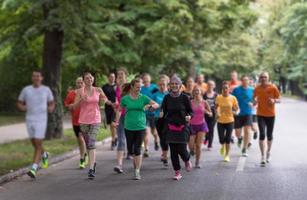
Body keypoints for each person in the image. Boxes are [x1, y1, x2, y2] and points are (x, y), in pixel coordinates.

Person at [17, 70, 55, 179]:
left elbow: (51, 102)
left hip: (42, 119)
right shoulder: (26, 90)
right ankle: (44, 155)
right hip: (30, 119)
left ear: (41, 78)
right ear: (32, 78)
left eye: (38, 76)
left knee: (38, 142)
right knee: (34, 143)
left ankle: (33, 168)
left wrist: (51, 108)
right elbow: (19, 102)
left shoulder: (46, 90)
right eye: (34, 76)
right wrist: (22, 107)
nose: (36, 78)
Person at [72, 72, 109, 179]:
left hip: (95, 119)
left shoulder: (98, 90)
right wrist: (80, 100)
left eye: (91, 78)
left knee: (91, 143)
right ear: (83, 80)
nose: (89, 79)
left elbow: (104, 99)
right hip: (83, 121)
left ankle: (91, 168)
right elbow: (74, 106)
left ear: (93, 79)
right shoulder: (79, 91)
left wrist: (104, 100)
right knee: (88, 144)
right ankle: (93, 162)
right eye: (87, 78)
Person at [120, 78, 159, 180]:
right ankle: (136, 164)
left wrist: (151, 107)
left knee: (137, 149)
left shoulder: (143, 98)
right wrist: (116, 120)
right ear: (132, 87)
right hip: (128, 126)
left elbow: (156, 104)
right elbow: (119, 110)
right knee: (131, 149)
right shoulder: (125, 99)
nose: (139, 89)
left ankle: (137, 171)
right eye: (137, 87)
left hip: (141, 126)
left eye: (140, 87)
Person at [161, 74, 193, 180]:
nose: (174, 85)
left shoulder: (185, 98)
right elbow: (163, 110)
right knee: (173, 151)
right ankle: (177, 172)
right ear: (169, 86)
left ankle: (187, 159)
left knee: (182, 149)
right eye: (172, 84)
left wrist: (189, 116)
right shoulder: (167, 98)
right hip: (170, 127)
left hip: (183, 126)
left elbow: (191, 111)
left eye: (176, 84)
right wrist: (160, 112)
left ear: (180, 86)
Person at [253, 72, 280, 166]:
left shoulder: (273, 87)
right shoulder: (257, 88)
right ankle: (262, 156)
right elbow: (254, 101)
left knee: (269, 134)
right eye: (262, 77)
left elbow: (279, 99)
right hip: (260, 114)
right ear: (260, 78)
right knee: (262, 134)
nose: (263, 78)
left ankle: (268, 151)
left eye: (265, 77)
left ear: (268, 78)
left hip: (271, 115)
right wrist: (254, 101)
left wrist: (274, 100)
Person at [64, 77, 87, 169]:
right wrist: (70, 106)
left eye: (81, 82)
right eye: (78, 82)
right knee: (80, 140)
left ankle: (82, 158)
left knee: (82, 139)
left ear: (84, 83)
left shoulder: (87, 93)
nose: (80, 84)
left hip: (86, 120)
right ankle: (84, 155)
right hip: (75, 121)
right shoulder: (71, 94)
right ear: (76, 84)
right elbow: (67, 104)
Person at [189, 86, 212, 168]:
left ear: (200, 92)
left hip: (201, 125)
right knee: (191, 144)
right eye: (195, 90)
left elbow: (210, 112)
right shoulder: (190, 102)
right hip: (191, 125)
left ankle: (197, 161)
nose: (196, 91)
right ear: (193, 92)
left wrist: (208, 112)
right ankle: (192, 150)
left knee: (198, 145)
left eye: (198, 90)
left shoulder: (204, 102)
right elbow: (186, 112)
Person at [216, 81, 239, 162]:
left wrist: (236, 112)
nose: (225, 89)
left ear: (229, 89)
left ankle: (227, 155)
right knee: (221, 139)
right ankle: (222, 146)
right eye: (223, 88)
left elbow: (237, 108)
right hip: (220, 121)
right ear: (222, 89)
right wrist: (217, 113)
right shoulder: (218, 97)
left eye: (226, 88)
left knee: (228, 139)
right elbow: (216, 107)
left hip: (230, 121)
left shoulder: (233, 98)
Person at [232, 75, 254, 157]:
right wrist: (233, 109)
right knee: (238, 132)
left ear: (248, 81)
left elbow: (255, 99)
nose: (245, 81)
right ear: (241, 81)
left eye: (247, 80)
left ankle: (244, 148)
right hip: (238, 113)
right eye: (244, 80)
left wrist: (253, 103)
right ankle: (240, 138)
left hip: (248, 113)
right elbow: (232, 100)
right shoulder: (236, 90)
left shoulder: (252, 90)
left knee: (247, 130)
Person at [113, 67, 130, 173]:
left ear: (126, 75)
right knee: (121, 139)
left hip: (130, 116)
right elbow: (117, 102)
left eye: (122, 74)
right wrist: (116, 118)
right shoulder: (116, 88)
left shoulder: (129, 87)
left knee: (130, 138)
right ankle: (119, 164)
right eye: (118, 74)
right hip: (120, 115)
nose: (120, 76)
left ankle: (131, 152)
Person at [152, 75, 169, 167]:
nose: (162, 86)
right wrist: (153, 107)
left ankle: (165, 156)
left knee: (166, 136)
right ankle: (164, 153)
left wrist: (161, 105)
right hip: (158, 118)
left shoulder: (169, 94)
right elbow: (152, 107)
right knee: (162, 137)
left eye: (164, 84)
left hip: (168, 118)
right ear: (158, 85)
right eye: (160, 84)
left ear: (167, 85)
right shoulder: (155, 95)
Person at [141, 73, 159, 157]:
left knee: (154, 132)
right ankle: (146, 149)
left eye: (147, 80)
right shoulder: (141, 89)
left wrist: (153, 106)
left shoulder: (154, 88)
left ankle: (156, 140)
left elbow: (157, 98)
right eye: (144, 80)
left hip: (153, 113)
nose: (146, 82)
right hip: (144, 114)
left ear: (150, 80)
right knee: (145, 131)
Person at [102, 72, 117, 150]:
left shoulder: (117, 86)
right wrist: (108, 102)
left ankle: (113, 140)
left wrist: (116, 103)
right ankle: (115, 137)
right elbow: (103, 97)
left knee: (113, 124)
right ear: (108, 78)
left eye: (114, 77)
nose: (112, 78)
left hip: (116, 107)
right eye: (111, 76)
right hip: (108, 107)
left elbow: (120, 95)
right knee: (111, 125)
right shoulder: (104, 87)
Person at [203, 80, 218, 150]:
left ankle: (210, 144)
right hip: (205, 113)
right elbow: (201, 104)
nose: (210, 86)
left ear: (214, 86)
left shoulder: (216, 95)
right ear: (207, 86)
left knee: (211, 128)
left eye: (212, 85)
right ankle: (206, 137)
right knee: (206, 128)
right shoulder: (204, 94)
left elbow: (218, 105)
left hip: (213, 113)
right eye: (209, 85)